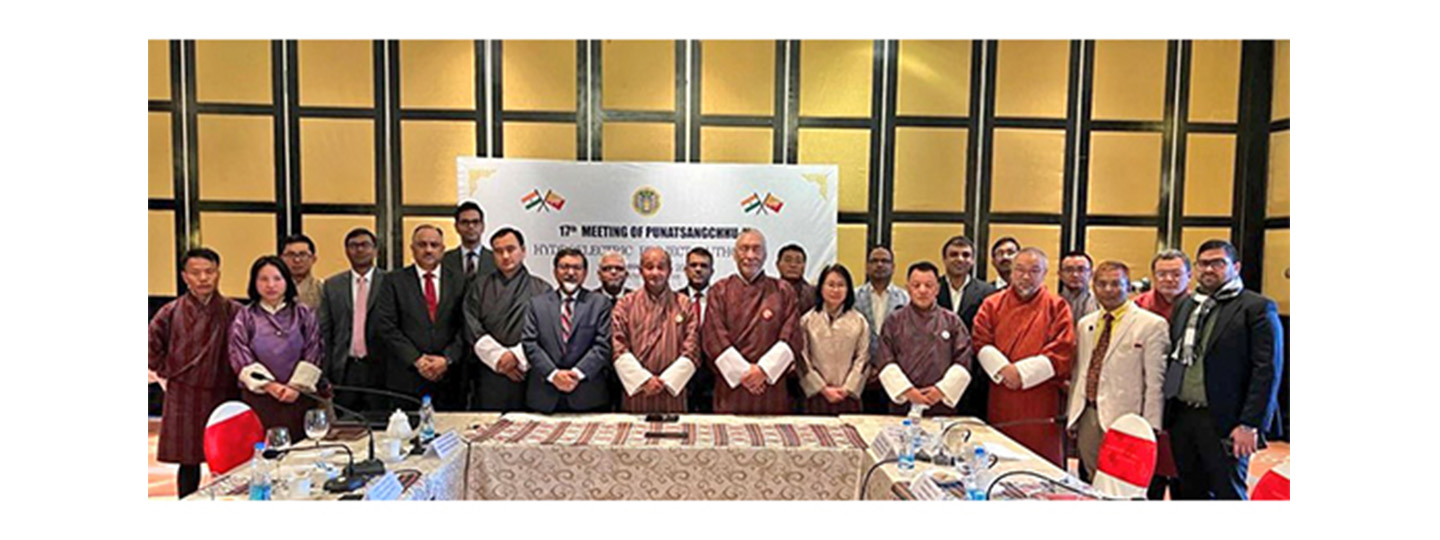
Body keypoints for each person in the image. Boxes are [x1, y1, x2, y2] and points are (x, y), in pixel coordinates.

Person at [1164, 240, 1284, 500]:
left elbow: (1267, 371)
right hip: (1183, 416)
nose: (1209, 269)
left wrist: (1250, 424)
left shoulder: (1256, 307)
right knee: (1187, 491)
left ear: (1236, 267)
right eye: (1203, 263)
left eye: (1218, 263)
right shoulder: (1187, 305)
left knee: (1228, 491)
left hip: (1226, 421)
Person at [149, 248, 243, 498]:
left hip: (224, 392)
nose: (203, 278)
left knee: (228, 459)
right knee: (188, 461)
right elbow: (150, 348)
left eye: (209, 272)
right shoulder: (170, 312)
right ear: (184, 277)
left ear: (218, 274)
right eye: (196, 273)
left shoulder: (234, 311)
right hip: (185, 395)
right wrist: (168, 373)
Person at [1065, 261, 1169, 481]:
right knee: (1091, 480)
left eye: (1116, 284)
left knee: (1123, 484)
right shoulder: (1086, 324)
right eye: (1102, 284)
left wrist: (1150, 427)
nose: (1109, 290)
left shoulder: (1151, 325)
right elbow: (1080, 371)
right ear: (1093, 287)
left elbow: (1155, 381)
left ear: (1128, 286)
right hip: (1089, 415)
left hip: (1128, 419)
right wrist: (1072, 414)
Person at [971, 247, 1076, 466]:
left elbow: (1063, 348)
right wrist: (1004, 371)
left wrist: (1021, 374)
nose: (1026, 276)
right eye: (1020, 270)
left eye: (1034, 270)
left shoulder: (1057, 306)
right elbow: (980, 339)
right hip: (1002, 393)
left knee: (1041, 463)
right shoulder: (992, 304)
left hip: (1041, 396)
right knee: (1001, 458)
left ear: (1045, 273)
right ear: (1011, 271)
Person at [701, 228, 804, 414]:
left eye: (756, 249)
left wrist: (763, 371)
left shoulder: (783, 291)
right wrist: (745, 374)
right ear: (734, 254)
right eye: (744, 249)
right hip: (731, 388)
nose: (750, 255)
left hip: (771, 388)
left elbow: (792, 336)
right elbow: (713, 337)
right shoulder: (719, 291)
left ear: (765, 255)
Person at [373, 225, 469, 409]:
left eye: (434, 245)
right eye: (422, 244)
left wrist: (447, 359)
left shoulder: (460, 281)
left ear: (442, 249)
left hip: (449, 379)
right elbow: (386, 326)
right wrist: (418, 360)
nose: (428, 250)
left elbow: (465, 327)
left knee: (451, 433)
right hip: (406, 377)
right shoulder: (393, 281)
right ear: (412, 249)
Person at [228, 256, 324, 437]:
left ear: (287, 281)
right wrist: (270, 386)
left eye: (277, 279)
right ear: (254, 283)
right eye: (263, 279)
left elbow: (314, 349)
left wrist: (296, 387)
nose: (270, 285)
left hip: (298, 397)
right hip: (260, 397)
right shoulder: (245, 316)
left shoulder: (303, 313)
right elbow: (239, 353)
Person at [465, 227, 554, 411]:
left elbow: (548, 332)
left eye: (511, 249)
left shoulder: (542, 289)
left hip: (528, 373)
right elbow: (471, 325)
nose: (505, 256)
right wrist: (499, 358)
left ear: (523, 251)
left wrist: (516, 356)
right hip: (490, 372)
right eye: (498, 251)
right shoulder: (479, 287)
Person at [522, 249, 614, 413]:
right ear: (555, 271)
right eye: (564, 267)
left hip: (587, 396)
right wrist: (553, 374)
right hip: (545, 397)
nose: (570, 272)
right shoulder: (536, 304)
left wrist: (576, 374)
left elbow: (603, 345)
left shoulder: (600, 304)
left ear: (585, 273)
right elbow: (530, 344)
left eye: (576, 268)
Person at [876, 262, 973, 416]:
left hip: (940, 404)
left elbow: (964, 360)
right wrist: (908, 391)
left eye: (928, 285)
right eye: (916, 285)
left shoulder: (952, 321)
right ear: (908, 288)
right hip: (904, 404)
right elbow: (885, 360)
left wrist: (941, 390)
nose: (922, 290)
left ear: (937, 289)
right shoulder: (893, 321)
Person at [612, 247, 700, 413]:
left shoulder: (684, 304)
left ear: (670, 271)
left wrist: (666, 381)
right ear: (640, 271)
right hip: (637, 392)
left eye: (661, 267)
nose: (655, 272)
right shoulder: (625, 304)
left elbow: (692, 348)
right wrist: (644, 381)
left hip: (673, 392)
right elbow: (618, 346)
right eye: (649, 267)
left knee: (674, 437)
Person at [317, 228, 386, 412]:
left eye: (365, 245)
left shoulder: (390, 282)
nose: (359, 250)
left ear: (375, 250)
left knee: (381, 425)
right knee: (347, 427)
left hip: (380, 368)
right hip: (344, 369)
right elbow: (326, 331)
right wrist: (325, 372)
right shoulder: (332, 285)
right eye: (353, 246)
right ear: (346, 251)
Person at [935, 235, 999, 420]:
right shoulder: (931, 289)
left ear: (972, 260)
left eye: (966, 255)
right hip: (937, 371)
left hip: (974, 373)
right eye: (953, 254)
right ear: (944, 259)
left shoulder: (988, 293)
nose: (960, 259)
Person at [797, 264, 869, 414]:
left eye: (841, 285)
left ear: (848, 289)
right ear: (821, 288)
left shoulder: (859, 321)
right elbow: (802, 359)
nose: (835, 290)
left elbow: (863, 358)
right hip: (816, 395)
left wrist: (848, 388)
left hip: (848, 396)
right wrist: (822, 388)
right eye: (830, 285)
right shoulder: (807, 321)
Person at [852, 245, 908, 414]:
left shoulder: (905, 298)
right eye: (874, 261)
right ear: (867, 266)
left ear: (893, 266)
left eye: (885, 261)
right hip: (862, 374)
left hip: (894, 372)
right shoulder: (853, 297)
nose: (879, 265)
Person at [678, 247, 716, 413]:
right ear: (686, 270)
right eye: (693, 265)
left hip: (713, 374)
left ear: (712, 271)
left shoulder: (721, 298)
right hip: (683, 373)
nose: (698, 269)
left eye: (703, 266)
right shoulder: (674, 299)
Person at [441, 200, 497, 283]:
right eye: (465, 222)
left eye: (475, 222)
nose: (471, 226)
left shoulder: (496, 259)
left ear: (483, 226)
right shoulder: (444, 260)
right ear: (456, 227)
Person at [1134, 249, 1192, 323]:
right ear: (1153, 276)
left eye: (1176, 274)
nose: (1168, 279)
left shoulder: (1199, 306)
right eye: (1161, 274)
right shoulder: (1138, 305)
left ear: (1189, 276)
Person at [280, 234, 323, 309]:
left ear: (313, 259)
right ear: (281, 259)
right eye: (291, 255)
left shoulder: (324, 289)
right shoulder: (273, 290)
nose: (297, 260)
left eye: (303, 254)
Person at [1058, 251, 1101, 324]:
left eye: (1081, 270)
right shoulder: (1052, 304)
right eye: (1069, 270)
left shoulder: (1101, 304)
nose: (1075, 275)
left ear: (1091, 274)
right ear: (1060, 274)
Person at [777, 243, 816, 315]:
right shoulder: (769, 292)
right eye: (788, 260)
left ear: (804, 266)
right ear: (777, 264)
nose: (793, 265)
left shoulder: (815, 293)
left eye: (798, 261)